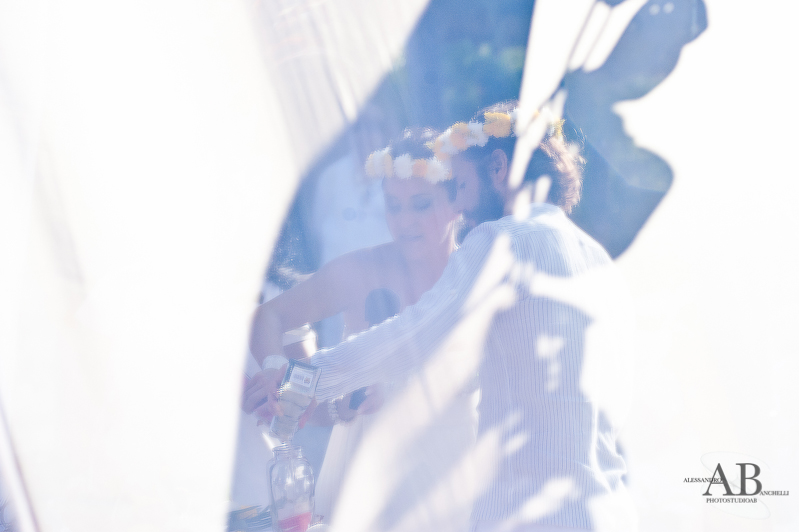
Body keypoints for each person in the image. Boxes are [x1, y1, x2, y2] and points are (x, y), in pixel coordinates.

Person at [245, 101, 636, 532]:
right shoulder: (598, 260)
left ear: (498, 167)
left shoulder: (501, 239)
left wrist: (301, 382)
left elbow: (415, 334)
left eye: (463, 184)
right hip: (607, 510)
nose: (463, 206)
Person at [246, 128, 468, 523]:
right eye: (393, 206)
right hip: (367, 473)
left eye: (420, 205)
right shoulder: (364, 270)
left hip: (454, 465)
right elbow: (269, 316)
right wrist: (277, 373)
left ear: (457, 204)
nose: (405, 221)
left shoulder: (476, 275)